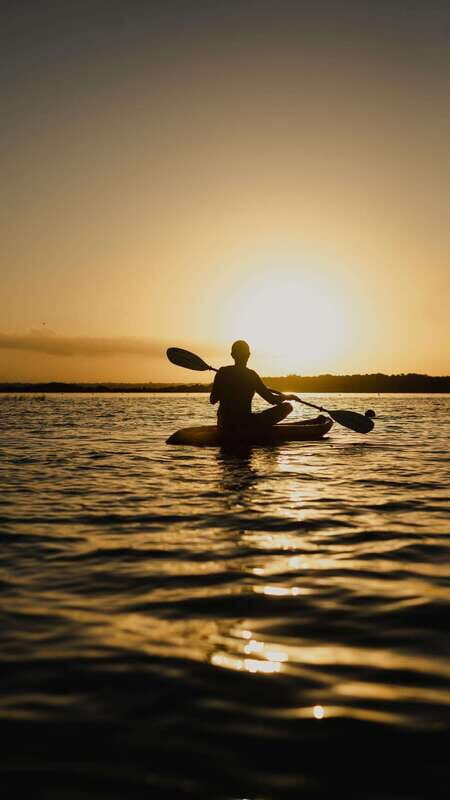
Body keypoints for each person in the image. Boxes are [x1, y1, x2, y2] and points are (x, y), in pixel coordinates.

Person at [210, 340, 295, 435]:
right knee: (287, 407)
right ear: (248, 355)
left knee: (250, 418)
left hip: (224, 424)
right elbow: (272, 400)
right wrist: (288, 397)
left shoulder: (222, 372)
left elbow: (212, 400)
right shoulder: (252, 375)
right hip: (246, 423)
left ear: (232, 355)